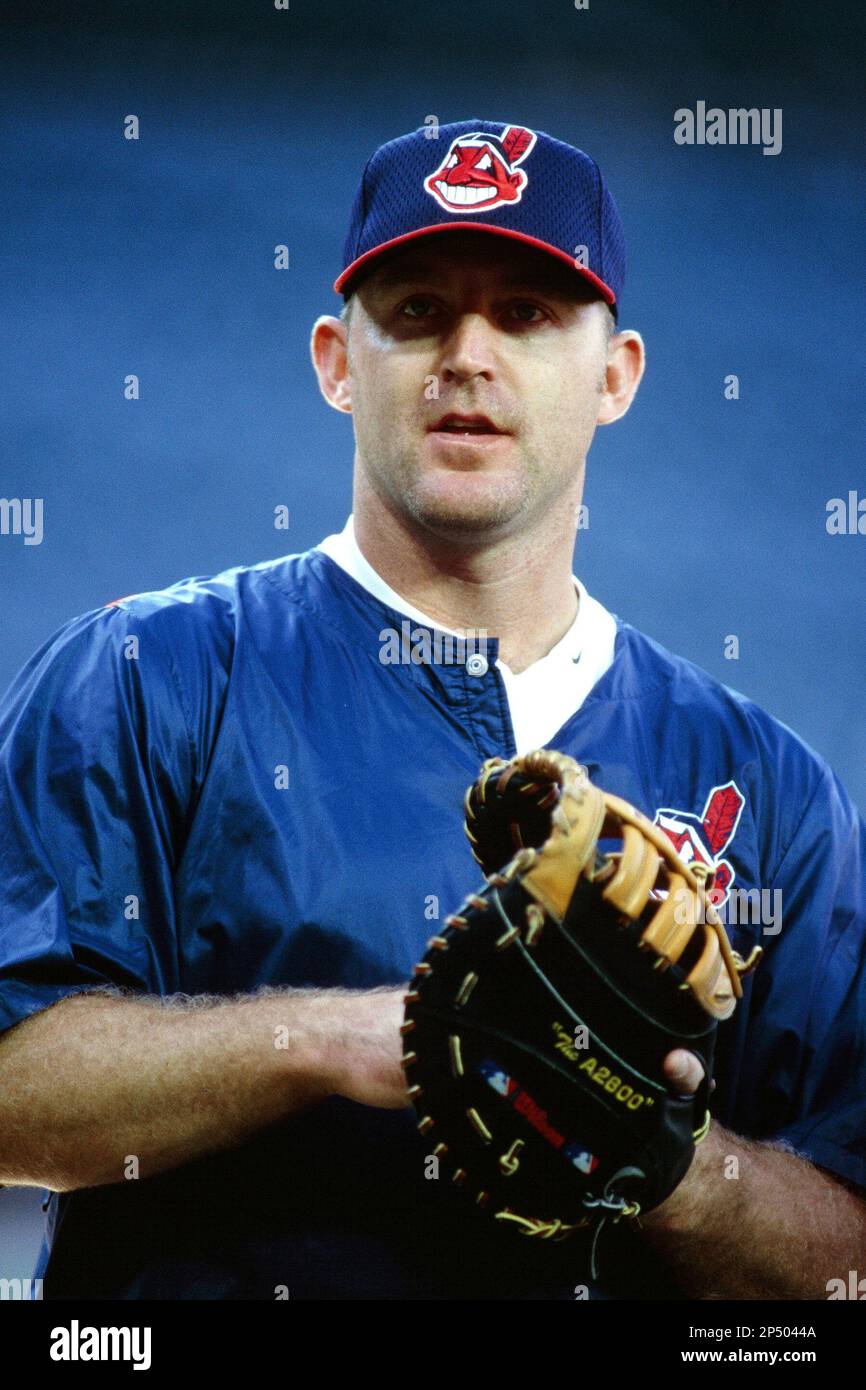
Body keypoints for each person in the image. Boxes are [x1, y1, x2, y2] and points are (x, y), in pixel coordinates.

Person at [0, 119, 864, 1301]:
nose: (467, 353)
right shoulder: (151, 673)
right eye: (416, 311)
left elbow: (845, 1262)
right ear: (334, 360)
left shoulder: (767, 785)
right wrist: (342, 1040)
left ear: (614, 375)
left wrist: (661, 1156)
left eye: (524, 314)